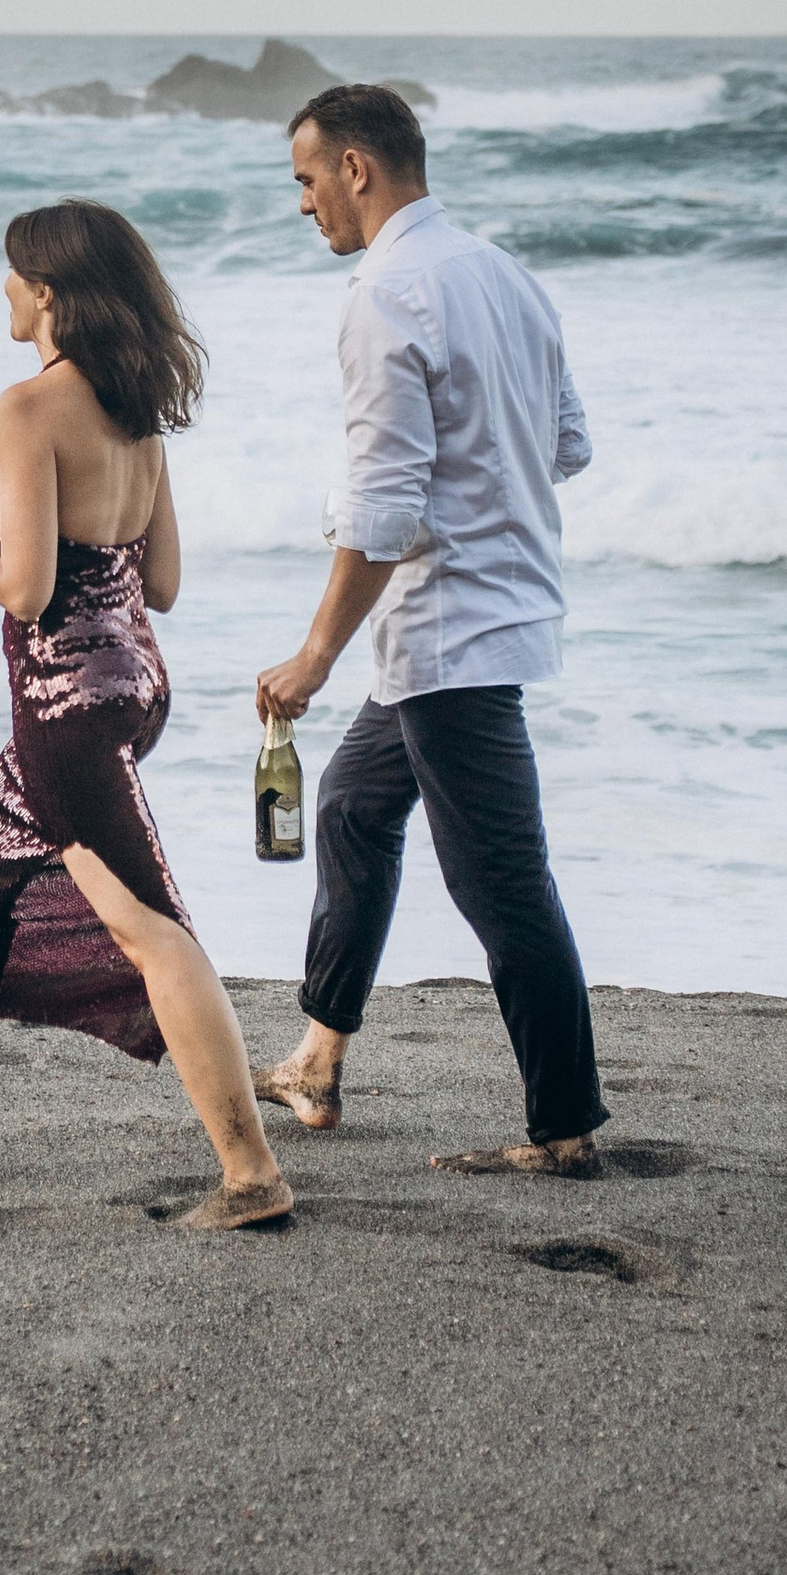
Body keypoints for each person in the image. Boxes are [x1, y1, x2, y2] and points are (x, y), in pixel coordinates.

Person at [0, 199, 292, 1233]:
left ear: (46, 292)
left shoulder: (28, 407)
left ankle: (251, 1174)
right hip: (135, 690)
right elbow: (159, 581)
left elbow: (29, 592)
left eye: (11, 275)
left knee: (152, 930)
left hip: (66, 714)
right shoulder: (137, 410)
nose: (1, 289)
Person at [251, 84, 607, 1175]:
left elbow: (386, 512)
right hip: (461, 621)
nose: (304, 205)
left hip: (450, 635)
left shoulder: (385, 295)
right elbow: (567, 446)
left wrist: (313, 653)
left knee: (502, 883)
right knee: (355, 808)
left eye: (307, 181)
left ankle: (565, 1129)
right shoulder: (504, 275)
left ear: (356, 168)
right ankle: (317, 1055)